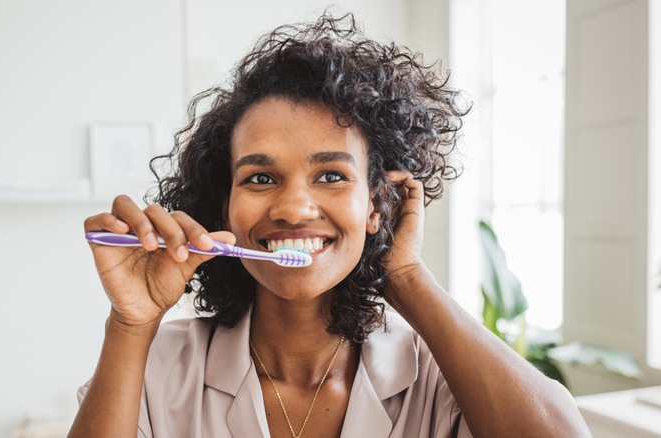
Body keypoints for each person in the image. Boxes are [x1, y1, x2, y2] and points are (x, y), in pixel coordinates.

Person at [69, 12, 590, 438]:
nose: (294, 208)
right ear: (224, 208)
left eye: (331, 175)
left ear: (376, 206)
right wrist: (131, 325)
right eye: (261, 177)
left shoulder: (439, 376)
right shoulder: (158, 365)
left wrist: (406, 277)